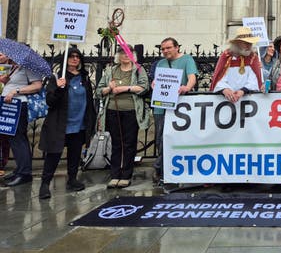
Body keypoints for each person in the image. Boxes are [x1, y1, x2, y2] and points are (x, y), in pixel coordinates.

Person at [37, 48, 95, 199]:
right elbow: (50, 101)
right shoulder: (57, 77)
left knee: (75, 154)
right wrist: (59, 88)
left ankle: (72, 179)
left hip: (79, 123)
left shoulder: (85, 77)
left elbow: (89, 100)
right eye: (71, 56)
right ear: (65, 59)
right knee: (54, 154)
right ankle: (45, 183)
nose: (75, 59)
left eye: (77, 57)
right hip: (60, 123)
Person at [96, 45, 150, 189]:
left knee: (129, 143)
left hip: (131, 111)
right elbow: (98, 90)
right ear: (118, 56)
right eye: (122, 53)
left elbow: (144, 87)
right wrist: (108, 88)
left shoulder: (138, 69)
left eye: (129, 53)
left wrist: (125, 88)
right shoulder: (110, 70)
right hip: (113, 110)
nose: (126, 55)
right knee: (116, 143)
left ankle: (126, 174)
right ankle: (115, 175)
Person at [152, 37, 197, 184]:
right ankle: (162, 169)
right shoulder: (161, 63)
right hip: (161, 106)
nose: (165, 51)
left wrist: (187, 87)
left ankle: (161, 169)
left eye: (168, 48)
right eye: (163, 49)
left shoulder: (187, 59)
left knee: (175, 139)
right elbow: (158, 81)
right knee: (160, 138)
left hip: (179, 107)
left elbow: (192, 78)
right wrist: (154, 84)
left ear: (177, 47)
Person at [0, 52, 43, 187]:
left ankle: (25, 173)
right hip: (10, 106)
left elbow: (37, 86)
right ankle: (20, 169)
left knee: (19, 138)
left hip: (19, 105)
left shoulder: (28, 67)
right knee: (14, 138)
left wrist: (15, 91)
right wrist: (6, 81)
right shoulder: (15, 67)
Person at [210, 27, 263, 102]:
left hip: (247, 100)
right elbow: (219, 78)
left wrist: (242, 91)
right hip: (225, 100)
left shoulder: (253, 58)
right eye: (246, 43)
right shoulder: (226, 57)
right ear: (237, 43)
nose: (249, 46)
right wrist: (225, 89)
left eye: (250, 43)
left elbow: (254, 81)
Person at [0, 53, 13, 177]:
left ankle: (2, 163)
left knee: (4, 136)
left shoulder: (10, 67)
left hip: (5, 104)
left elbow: (8, 82)